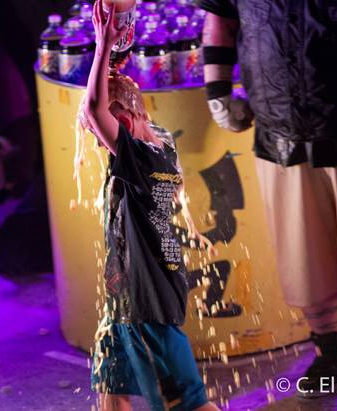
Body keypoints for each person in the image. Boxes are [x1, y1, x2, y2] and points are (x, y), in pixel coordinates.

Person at [196, 0, 337, 398]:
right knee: (305, 260)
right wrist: (217, 91)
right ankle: (329, 351)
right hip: (281, 130)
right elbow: (220, 15)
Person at [79, 2, 220, 410]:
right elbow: (105, 103)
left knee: (186, 402)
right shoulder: (158, 141)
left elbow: (95, 108)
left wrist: (103, 45)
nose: (97, 141)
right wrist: (114, 61)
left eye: (99, 135)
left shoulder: (140, 159)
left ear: (122, 122)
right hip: (124, 298)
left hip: (146, 302)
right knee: (111, 388)